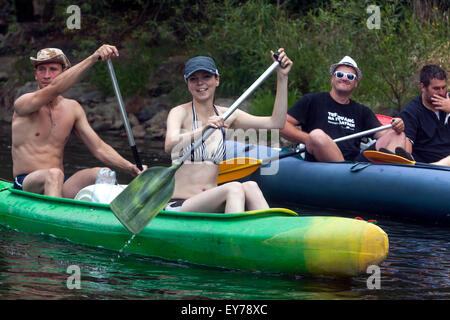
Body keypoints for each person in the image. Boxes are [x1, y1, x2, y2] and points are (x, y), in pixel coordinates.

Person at [164, 49, 292, 213]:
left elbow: (276, 123)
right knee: (233, 188)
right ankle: (234, 238)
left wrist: (282, 77)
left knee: (250, 186)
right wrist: (204, 129)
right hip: (179, 204)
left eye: (206, 77)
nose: (200, 83)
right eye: (193, 79)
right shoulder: (179, 112)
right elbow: (170, 144)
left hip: (211, 202)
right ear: (188, 84)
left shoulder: (228, 115)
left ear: (217, 80)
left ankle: (272, 234)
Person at [12, 45, 146, 198]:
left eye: (53, 69)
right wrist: (93, 58)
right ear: (35, 74)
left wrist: (131, 168)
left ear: (65, 72)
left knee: (103, 173)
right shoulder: (24, 104)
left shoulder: (72, 108)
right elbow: (55, 89)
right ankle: (55, 219)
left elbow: (99, 148)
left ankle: (104, 217)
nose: (47, 75)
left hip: (58, 182)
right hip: (26, 183)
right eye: (41, 69)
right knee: (54, 174)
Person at [280, 56, 406, 162]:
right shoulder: (312, 100)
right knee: (317, 135)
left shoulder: (362, 111)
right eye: (340, 74)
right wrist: (308, 139)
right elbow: (281, 125)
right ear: (332, 78)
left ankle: (392, 177)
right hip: (321, 163)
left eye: (350, 77)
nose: (345, 78)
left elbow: (383, 134)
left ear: (356, 83)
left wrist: (396, 126)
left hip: (354, 165)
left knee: (398, 134)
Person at [398, 65, 449, 164]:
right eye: (436, 88)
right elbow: (406, 150)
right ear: (423, 87)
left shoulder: (449, 101)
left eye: (444, 87)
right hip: (426, 169)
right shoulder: (411, 111)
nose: (441, 92)